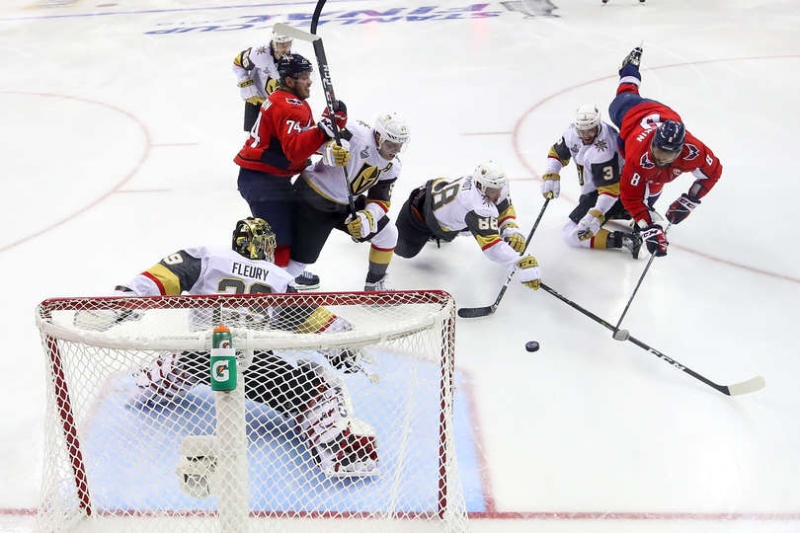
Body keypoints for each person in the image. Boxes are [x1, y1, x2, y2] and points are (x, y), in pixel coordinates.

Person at [74, 217, 378, 478]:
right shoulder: (280, 278)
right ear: (264, 245)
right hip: (254, 365)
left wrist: (121, 303)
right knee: (319, 386)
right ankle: (342, 450)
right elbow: (309, 318)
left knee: (183, 353)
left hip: (200, 355)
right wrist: (344, 341)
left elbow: (163, 277)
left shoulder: (208, 257)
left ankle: (146, 386)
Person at [234, 52, 350, 290]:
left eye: (309, 76)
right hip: (263, 181)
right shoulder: (291, 107)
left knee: (289, 230)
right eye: (304, 77)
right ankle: (276, 292)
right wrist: (325, 129)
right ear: (289, 81)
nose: (309, 82)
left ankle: (285, 274)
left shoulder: (284, 99)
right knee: (279, 242)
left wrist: (327, 129)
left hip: (267, 178)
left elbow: (300, 142)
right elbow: (295, 151)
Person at [609, 46, 723, 257]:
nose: (660, 158)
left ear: (679, 151)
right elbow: (631, 196)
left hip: (665, 114)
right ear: (653, 143)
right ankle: (630, 67)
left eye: (667, 155)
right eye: (658, 151)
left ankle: (642, 221)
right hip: (633, 114)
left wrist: (689, 201)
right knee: (624, 94)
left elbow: (713, 172)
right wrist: (649, 227)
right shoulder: (640, 157)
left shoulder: (694, 151)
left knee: (654, 184)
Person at [287, 112, 410, 291]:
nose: (395, 150)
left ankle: (374, 285)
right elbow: (310, 143)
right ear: (378, 136)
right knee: (300, 260)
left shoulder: (392, 166)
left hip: (346, 203)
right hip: (313, 198)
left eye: (399, 145)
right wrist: (329, 150)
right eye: (391, 144)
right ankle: (281, 289)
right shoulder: (355, 133)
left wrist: (368, 215)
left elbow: (380, 199)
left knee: (388, 234)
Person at [395, 160, 542, 291]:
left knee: (457, 226)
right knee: (402, 250)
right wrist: (518, 262)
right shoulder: (476, 205)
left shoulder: (488, 185)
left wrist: (510, 228)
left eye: (498, 189)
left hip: (439, 194)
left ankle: (441, 233)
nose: (497, 195)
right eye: (492, 191)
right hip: (419, 214)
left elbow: (503, 207)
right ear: (480, 187)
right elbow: (492, 246)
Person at [541, 103, 642, 258]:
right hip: (599, 189)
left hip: (615, 190)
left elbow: (610, 190)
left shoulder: (605, 148)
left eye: (591, 129)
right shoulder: (571, 133)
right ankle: (629, 212)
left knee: (571, 234)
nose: (586, 134)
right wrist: (552, 172)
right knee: (585, 203)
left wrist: (597, 214)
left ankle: (626, 240)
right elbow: (557, 152)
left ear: (597, 124)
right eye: (582, 129)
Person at [232, 26, 293, 131]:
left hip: (278, 106)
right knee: (253, 140)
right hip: (257, 102)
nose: (284, 49)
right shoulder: (259, 53)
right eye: (280, 45)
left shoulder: (294, 59)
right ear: (273, 44)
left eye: (287, 44)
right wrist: (247, 87)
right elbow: (238, 63)